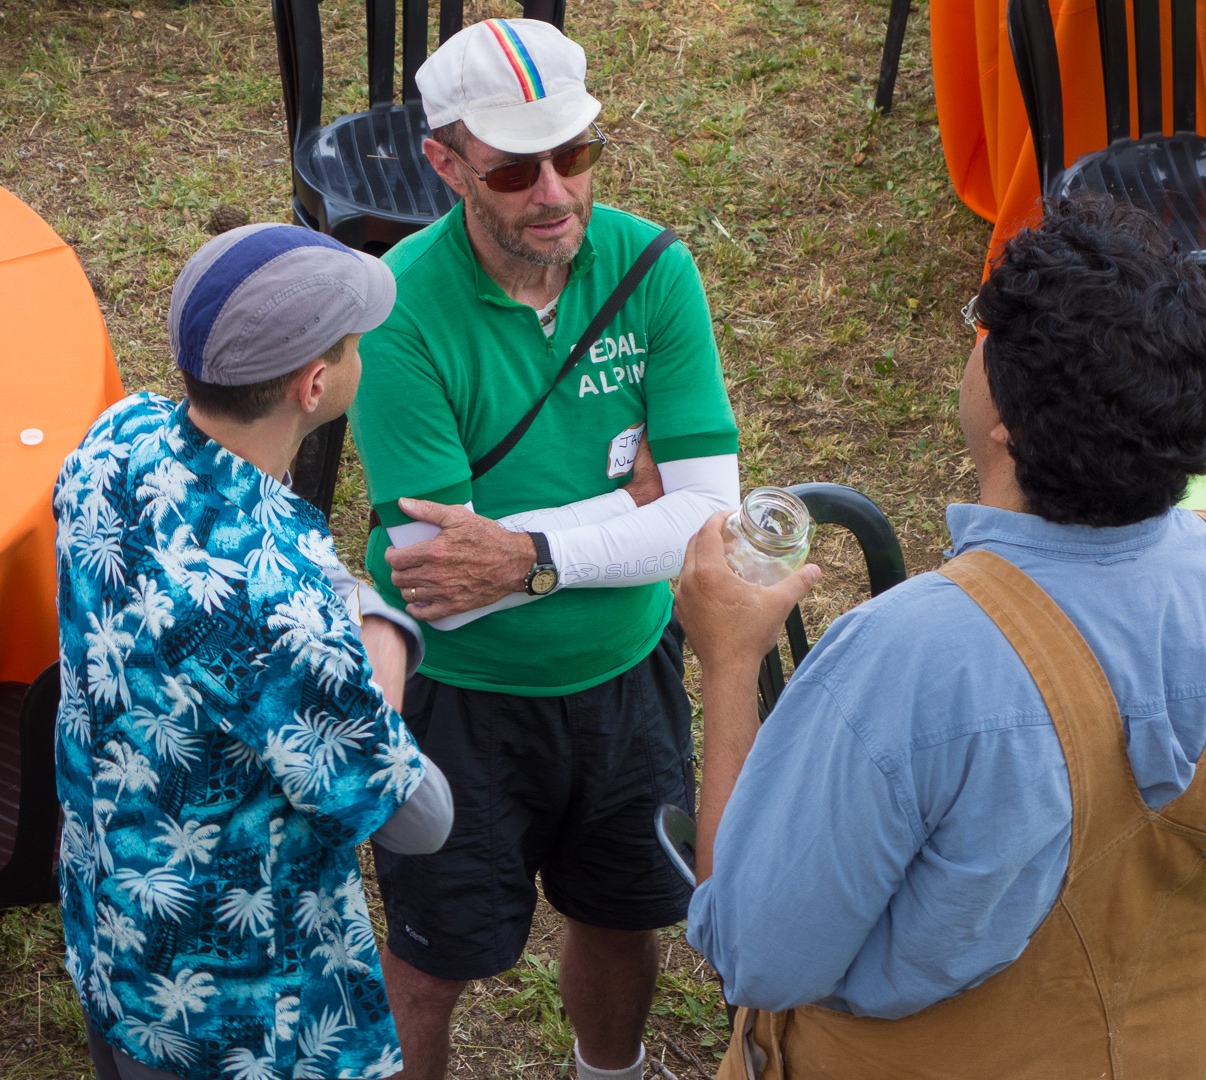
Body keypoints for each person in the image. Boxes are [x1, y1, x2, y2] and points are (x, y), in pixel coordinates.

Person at [677, 195, 1206, 1080]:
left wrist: (730, 663)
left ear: (1005, 422)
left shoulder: (901, 659)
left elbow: (753, 954)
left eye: (983, 326)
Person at [346, 18, 741, 1080]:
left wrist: (529, 550)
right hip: (464, 699)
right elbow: (444, 583)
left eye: (577, 153)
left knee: (624, 919)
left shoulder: (654, 267)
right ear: (445, 166)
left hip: (628, 676)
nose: (557, 191)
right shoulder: (397, 309)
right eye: (516, 170)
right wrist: (628, 512)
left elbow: (708, 519)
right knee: (431, 964)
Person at [54, 224, 453, 1080]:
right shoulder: (284, 622)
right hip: (234, 1009)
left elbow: (271, 567)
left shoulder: (115, 439)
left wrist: (343, 601)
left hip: (111, 920)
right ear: (314, 385)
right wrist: (383, 637)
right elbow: (420, 818)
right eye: (353, 345)